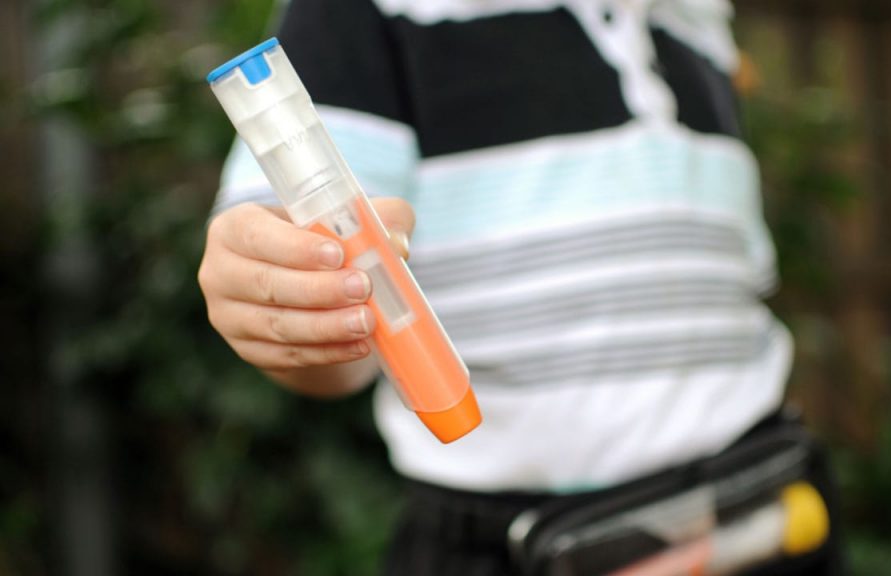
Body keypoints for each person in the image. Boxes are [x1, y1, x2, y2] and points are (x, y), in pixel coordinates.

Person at [199, 0, 842, 573]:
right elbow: (313, 301)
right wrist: (286, 300)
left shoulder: (694, 18)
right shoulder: (363, 13)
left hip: (768, 504)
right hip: (510, 539)